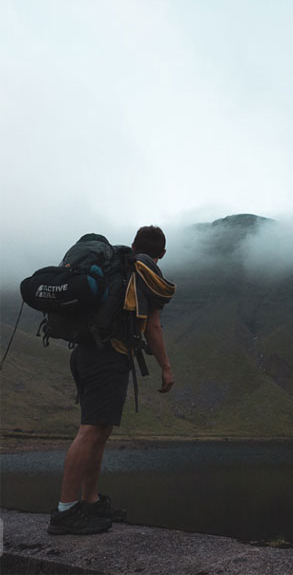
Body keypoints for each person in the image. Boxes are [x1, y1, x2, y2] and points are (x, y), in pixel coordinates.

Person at [47, 226, 176, 535]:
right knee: (91, 431)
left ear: (133, 244)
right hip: (106, 356)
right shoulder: (146, 273)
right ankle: (65, 511)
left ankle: (89, 502)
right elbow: (153, 327)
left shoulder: (119, 265)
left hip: (86, 353)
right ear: (163, 253)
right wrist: (166, 367)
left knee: (100, 430)